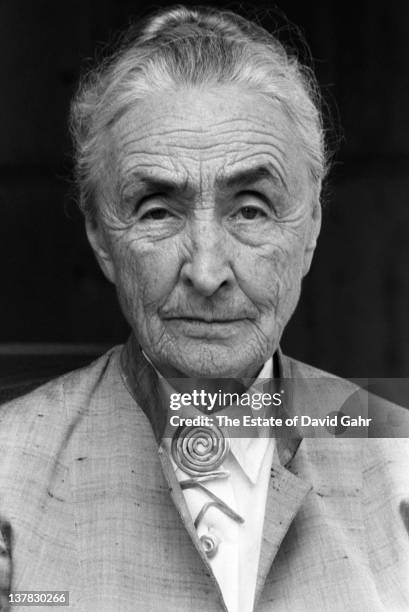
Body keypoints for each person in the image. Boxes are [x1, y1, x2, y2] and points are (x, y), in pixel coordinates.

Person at [0, 6, 408, 611]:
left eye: (251, 208)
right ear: (100, 235)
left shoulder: (398, 462)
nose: (208, 272)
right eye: (157, 210)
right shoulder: (8, 478)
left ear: (313, 225)